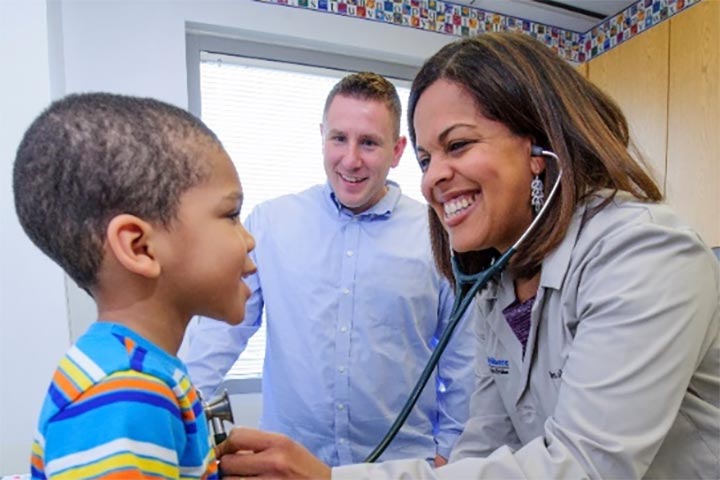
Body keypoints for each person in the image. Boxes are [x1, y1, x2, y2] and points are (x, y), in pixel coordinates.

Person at [213, 32, 720, 479]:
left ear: (539, 149)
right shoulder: (496, 285)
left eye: (457, 145)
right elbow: (487, 445)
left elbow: (584, 467)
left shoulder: (644, 252)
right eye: (428, 159)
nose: (433, 177)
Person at [181, 72, 476, 466]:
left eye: (368, 142)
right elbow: (221, 332)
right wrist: (174, 407)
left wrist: (448, 455)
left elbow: (464, 357)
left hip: (400, 468)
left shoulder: (439, 234)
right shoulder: (270, 224)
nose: (350, 160)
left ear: (398, 150)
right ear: (322, 136)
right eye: (339, 138)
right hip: (289, 465)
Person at [14, 92, 257, 479]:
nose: (249, 240)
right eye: (230, 215)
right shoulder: (125, 391)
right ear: (139, 247)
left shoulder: (137, 370)